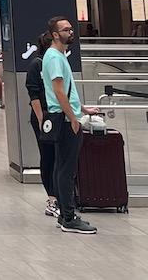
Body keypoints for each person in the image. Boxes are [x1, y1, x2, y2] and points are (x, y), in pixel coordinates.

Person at [43, 16, 96, 234]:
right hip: (65, 121)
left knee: (62, 167)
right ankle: (68, 217)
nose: (71, 32)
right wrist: (73, 118)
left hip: (67, 117)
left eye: (71, 29)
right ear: (55, 34)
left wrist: (82, 109)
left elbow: (68, 91)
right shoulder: (55, 58)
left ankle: (65, 214)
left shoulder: (59, 56)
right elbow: (58, 92)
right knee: (66, 170)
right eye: (66, 30)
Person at [24, 30, 59, 219]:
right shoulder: (37, 64)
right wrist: (40, 120)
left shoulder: (58, 63)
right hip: (45, 117)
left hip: (59, 116)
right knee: (48, 156)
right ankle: (52, 198)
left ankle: (62, 196)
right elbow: (34, 94)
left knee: (60, 157)